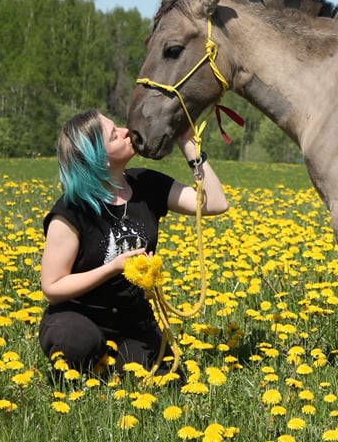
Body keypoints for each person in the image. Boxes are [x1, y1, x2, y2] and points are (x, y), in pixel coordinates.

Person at [39, 109, 228, 380]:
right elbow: (52, 288)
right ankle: (73, 370)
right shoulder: (72, 211)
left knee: (163, 379)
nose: (126, 131)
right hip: (80, 314)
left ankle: (107, 368)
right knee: (76, 344)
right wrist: (113, 267)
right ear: (99, 159)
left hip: (133, 320)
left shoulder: (146, 184)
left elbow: (215, 203)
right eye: (114, 135)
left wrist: (187, 142)